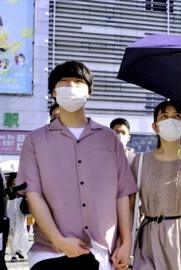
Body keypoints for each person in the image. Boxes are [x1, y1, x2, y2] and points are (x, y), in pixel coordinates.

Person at [16, 61, 137, 270]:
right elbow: (34, 195)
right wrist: (59, 240)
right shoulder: (35, 140)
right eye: (64, 82)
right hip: (50, 253)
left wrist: (126, 242)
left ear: (88, 92)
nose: (71, 87)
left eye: (78, 82)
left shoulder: (109, 139)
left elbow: (121, 194)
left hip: (102, 253)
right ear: (54, 91)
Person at [131, 100, 181, 270]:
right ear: (155, 126)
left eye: (176, 117)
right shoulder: (140, 161)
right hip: (149, 239)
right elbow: (130, 207)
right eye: (164, 116)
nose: (171, 120)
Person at [5, 173, 28, 262]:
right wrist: (15, 188)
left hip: (20, 212)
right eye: (15, 179)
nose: (16, 180)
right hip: (11, 211)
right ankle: (14, 254)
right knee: (12, 233)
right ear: (11, 180)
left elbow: (26, 186)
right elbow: (7, 192)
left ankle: (20, 250)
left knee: (22, 231)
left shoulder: (22, 186)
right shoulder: (9, 188)